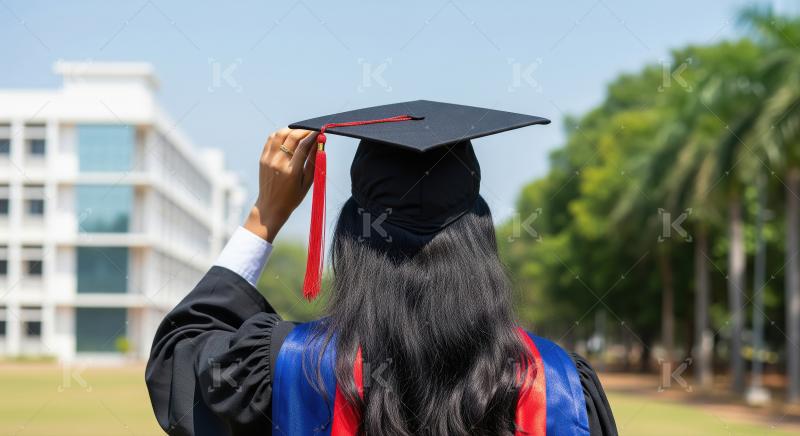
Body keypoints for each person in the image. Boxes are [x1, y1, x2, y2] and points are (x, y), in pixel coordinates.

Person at [146, 101, 618, 435]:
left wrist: (265, 217)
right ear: (480, 241)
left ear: (353, 242)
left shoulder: (290, 370)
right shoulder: (558, 384)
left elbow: (178, 358)